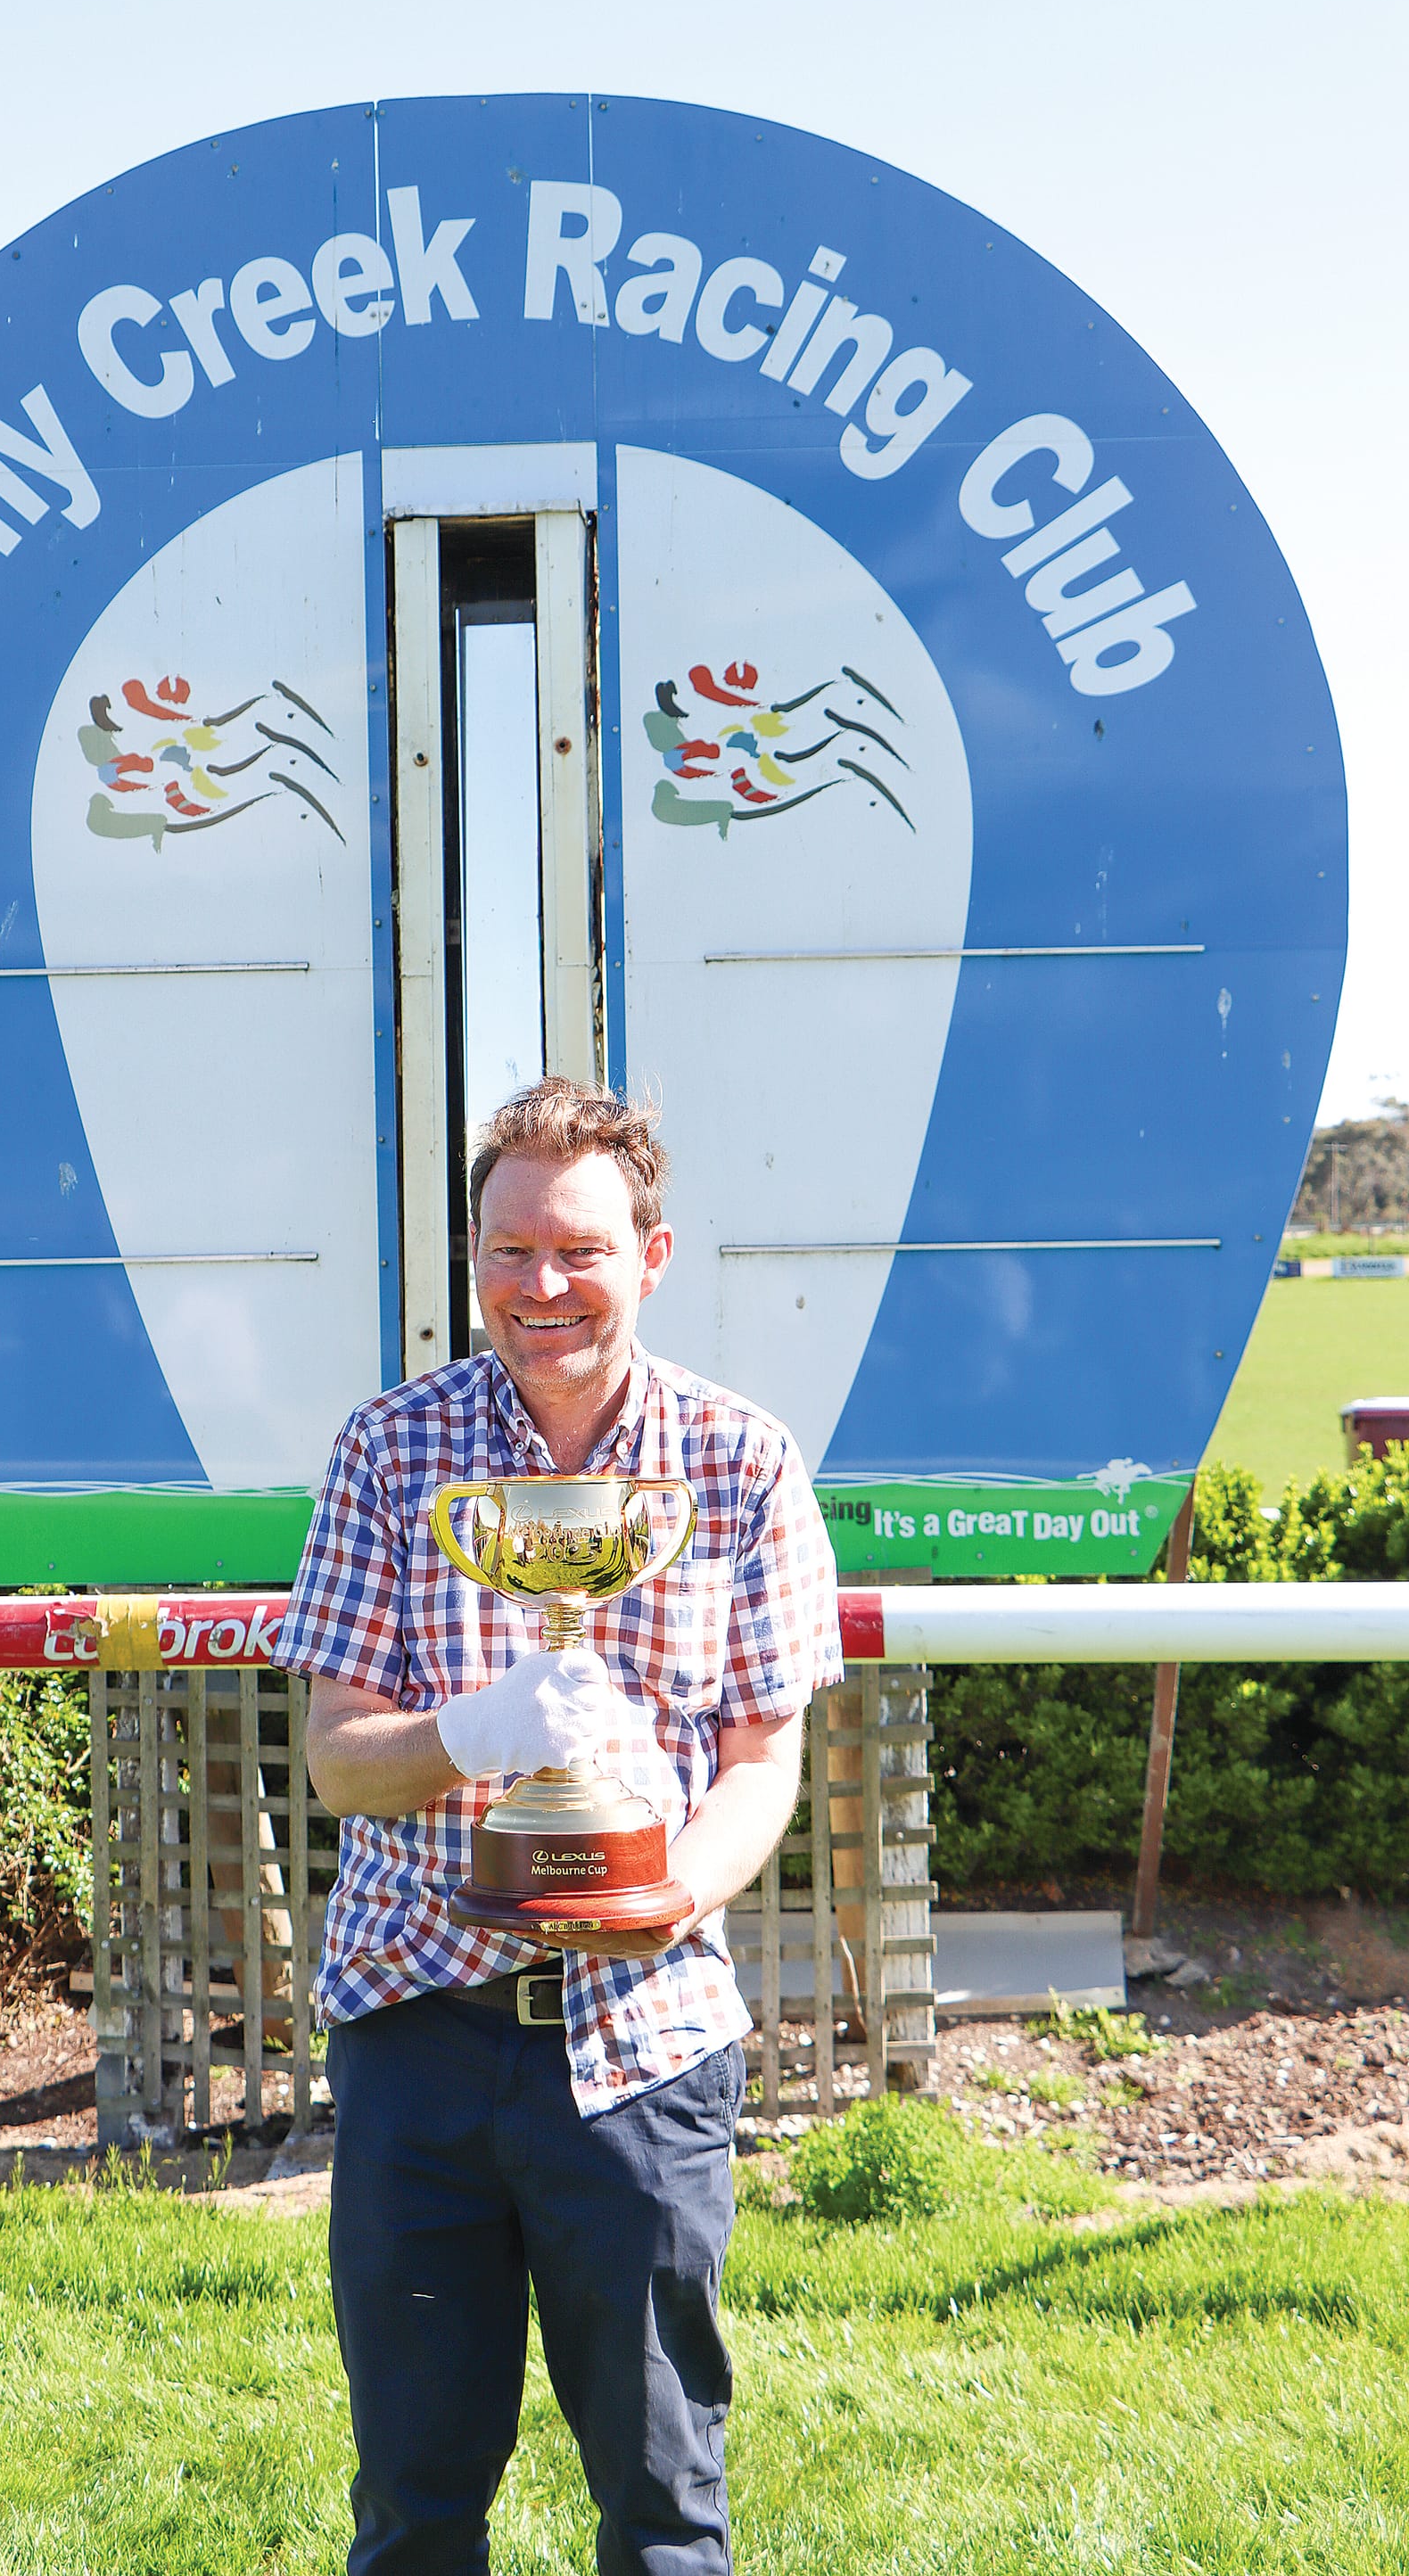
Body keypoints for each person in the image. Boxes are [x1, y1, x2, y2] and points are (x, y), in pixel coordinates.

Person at [276, 1077, 842, 2576]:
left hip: (645, 2043)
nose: (541, 1285)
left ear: (651, 1256)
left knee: (665, 2509)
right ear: (473, 1257)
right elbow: (337, 1761)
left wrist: (674, 1890)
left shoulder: (741, 1461)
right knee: (414, 2507)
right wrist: (478, 1733)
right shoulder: (391, 1454)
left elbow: (764, 1756)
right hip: (422, 2035)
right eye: (508, 1249)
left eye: (578, 1249)